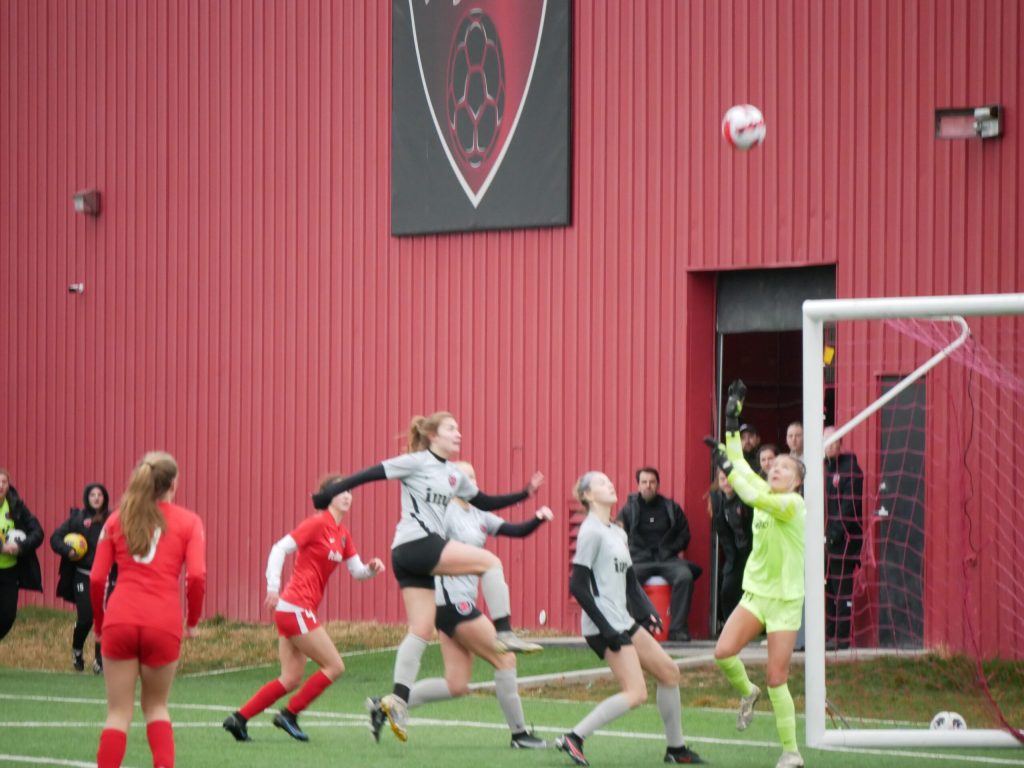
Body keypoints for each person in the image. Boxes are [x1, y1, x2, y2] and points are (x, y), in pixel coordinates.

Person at [311, 411, 544, 741]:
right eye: (451, 428)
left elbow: (486, 500)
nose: (458, 433)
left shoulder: (454, 476)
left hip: (407, 557)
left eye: (459, 428)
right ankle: (504, 632)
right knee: (490, 563)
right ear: (433, 435)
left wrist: (524, 494)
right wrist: (326, 496)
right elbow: (370, 474)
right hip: (415, 545)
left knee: (420, 630)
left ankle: (397, 702)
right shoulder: (416, 461)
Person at [367, 461, 551, 750]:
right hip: (452, 603)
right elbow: (427, 542)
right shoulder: (444, 513)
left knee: (456, 684)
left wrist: (538, 517)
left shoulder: (479, 513)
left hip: (454, 606)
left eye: (472, 477)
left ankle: (386, 703)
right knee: (505, 659)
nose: (467, 481)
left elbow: (515, 530)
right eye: (462, 477)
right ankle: (519, 735)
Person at [555, 471, 703, 767]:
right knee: (636, 693)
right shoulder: (591, 531)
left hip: (623, 620)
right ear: (587, 496)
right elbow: (578, 586)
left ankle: (676, 749)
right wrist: (607, 629)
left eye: (610, 480)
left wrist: (647, 609)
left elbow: (630, 580)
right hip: (603, 626)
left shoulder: (617, 531)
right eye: (600, 482)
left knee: (669, 672)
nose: (609, 483)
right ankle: (574, 737)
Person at [224, 477, 385, 743]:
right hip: (294, 606)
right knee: (334, 666)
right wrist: (272, 586)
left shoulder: (343, 534)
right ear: (328, 496)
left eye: (349, 491)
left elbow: (357, 572)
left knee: (290, 678)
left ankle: (238, 719)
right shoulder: (317, 523)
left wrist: (371, 569)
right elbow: (279, 548)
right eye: (340, 491)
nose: (347, 495)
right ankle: (289, 715)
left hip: (296, 609)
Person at [706, 380, 807, 768]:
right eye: (775, 465)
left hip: (785, 601)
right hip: (757, 594)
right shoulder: (764, 494)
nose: (776, 469)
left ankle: (791, 752)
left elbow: (747, 487)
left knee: (777, 676)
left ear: (797, 480)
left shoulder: (792, 505)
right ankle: (747, 693)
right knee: (723, 652)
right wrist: (731, 422)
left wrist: (729, 465)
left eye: (785, 467)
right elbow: (745, 476)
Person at [90, 452, 206, 768]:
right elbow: (196, 576)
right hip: (163, 620)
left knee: (118, 713)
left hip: (121, 617)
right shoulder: (189, 521)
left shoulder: (117, 519)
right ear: (173, 483)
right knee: (156, 707)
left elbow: (98, 578)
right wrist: (192, 621)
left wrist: (100, 625)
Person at [616, 467, 701, 642]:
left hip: (667, 560)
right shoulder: (628, 510)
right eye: (644, 482)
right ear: (638, 486)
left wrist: (670, 550)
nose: (648, 486)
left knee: (685, 577)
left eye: (652, 482)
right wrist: (631, 553)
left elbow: (685, 535)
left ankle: (677, 630)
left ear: (658, 485)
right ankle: (639, 629)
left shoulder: (671, 508)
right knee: (628, 578)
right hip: (640, 560)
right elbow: (617, 537)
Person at [51, 483, 114, 673]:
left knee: (105, 618)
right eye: (92, 495)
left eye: (100, 495)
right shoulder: (77, 518)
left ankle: (99, 661)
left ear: (104, 499)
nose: (96, 498)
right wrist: (67, 550)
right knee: (86, 617)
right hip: (83, 576)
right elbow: (55, 538)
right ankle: (77, 650)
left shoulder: (112, 519)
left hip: (106, 577)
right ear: (87, 497)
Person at [823, 426, 864, 650]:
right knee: (828, 590)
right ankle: (829, 635)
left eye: (833, 442)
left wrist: (832, 536)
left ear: (840, 444)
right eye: (826, 442)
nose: (829, 446)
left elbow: (848, 508)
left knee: (842, 590)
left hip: (844, 543)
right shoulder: (823, 469)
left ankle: (841, 638)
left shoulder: (851, 470)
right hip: (826, 542)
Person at [0, 468, 44, 641]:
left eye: (4, 482)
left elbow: (37, 532)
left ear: (8, 485)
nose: (0, 486)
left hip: (10, 571)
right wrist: (2, 547)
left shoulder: (16, 506)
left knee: (8, 616)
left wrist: (21, 546)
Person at [709, 468, 753, 627]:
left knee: (752, 592)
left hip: (753, 551)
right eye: (722, 479)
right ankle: (730, 627)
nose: (726, 482)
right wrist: (730, 559)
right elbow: (723, 533)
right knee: (727, 590)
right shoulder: (717, 501)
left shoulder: (747, 499)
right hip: (734, 554)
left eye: (729, 478)